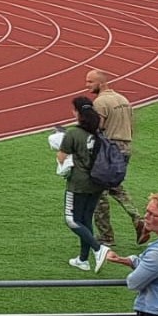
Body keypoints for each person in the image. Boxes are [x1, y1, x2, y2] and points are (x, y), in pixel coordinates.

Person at [58, 100, 109, 272]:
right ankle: (83, 259)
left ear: (78, 113)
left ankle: (98, 248)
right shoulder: (100, 134)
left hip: (78, 183)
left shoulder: (73, 133)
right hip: (97, 183)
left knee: (71, 219)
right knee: (86, 219)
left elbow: (61, 158)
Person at [87, 69, 136, 247]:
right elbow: (132, 125)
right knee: (116, 187)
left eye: (90, 82)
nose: (87, 85)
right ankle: (138, 218)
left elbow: (97, 127)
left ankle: (106, 236)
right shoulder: (123, 99)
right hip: (125, 147)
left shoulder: (100, 102)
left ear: (101, 83)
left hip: (109, 150)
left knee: (99, 193)